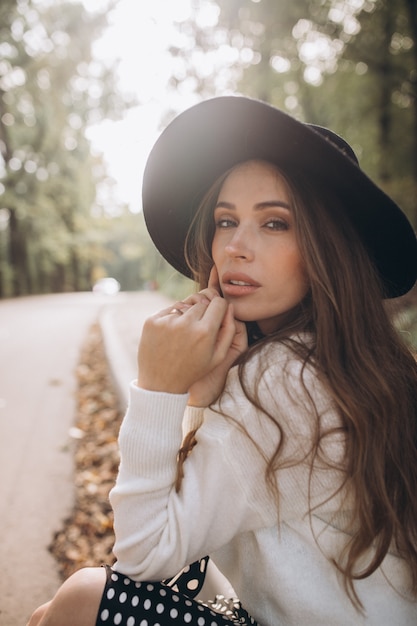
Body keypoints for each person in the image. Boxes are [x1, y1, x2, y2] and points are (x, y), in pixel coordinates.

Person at [28, 96, 417, 626]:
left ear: (329, 250)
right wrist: (201, 399)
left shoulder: (286, 377)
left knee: (80, 601)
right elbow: (197, 525)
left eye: (275, 224)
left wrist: (158, 388)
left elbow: (141, 556)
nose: (235, 246)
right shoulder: (354, 364)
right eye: (225, 220)